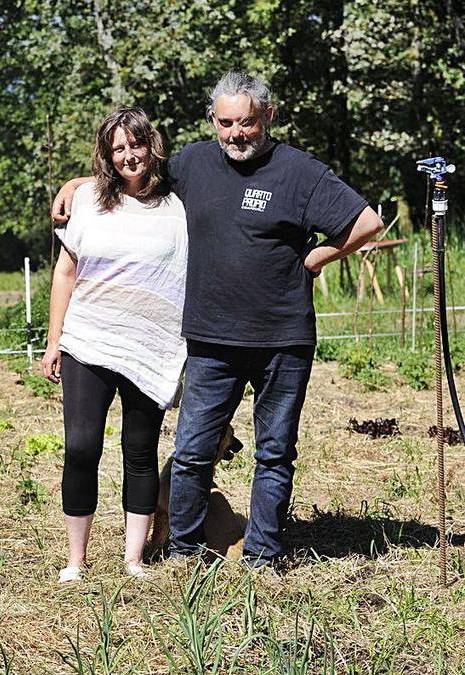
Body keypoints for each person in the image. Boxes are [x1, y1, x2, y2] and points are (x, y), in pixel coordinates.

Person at [51, 72, 383, 568]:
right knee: (192, 450)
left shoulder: (300, 171)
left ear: (267, 116)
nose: (236, 133)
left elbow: (367, 221)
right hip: (210, 339)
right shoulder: (193, 164)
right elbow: (133, 172)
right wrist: (78, 183)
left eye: (246, 122)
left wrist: (317, 258)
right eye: (225, 123)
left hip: (283, 338)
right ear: (213, 121)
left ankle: (263, 555)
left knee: (273, 452)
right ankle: (185, 551)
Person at [41, 106, 187, 581]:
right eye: (118, 148)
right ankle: (75, 561)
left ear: (152, 145)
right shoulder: (87, 200)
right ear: (106, 155)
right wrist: (53, 340)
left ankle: (133, 559)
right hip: (88, 339)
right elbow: (65, 272)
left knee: (139, 450)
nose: (129, 155)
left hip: (150, 343)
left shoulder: (178, 204)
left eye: (135, 144)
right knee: (81, 447)